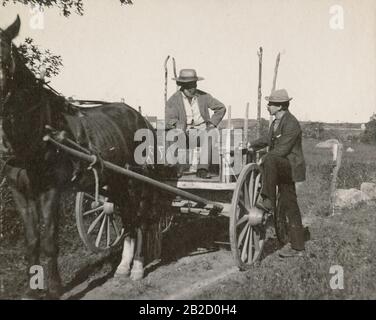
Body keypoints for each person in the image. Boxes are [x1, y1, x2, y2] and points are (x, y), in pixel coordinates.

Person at [248, 88, 307, 258]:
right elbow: (268, 140)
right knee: (290, 203)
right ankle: (298, 247)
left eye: (271, 104)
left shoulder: (291, 123)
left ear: (280, 106)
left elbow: (282, 149)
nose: (268, 106)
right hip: (280, 165)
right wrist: (250, 145)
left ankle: (268, 201)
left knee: (270, 160)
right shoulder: (276, 122)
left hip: (290, 166)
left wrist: (264, 158)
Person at [165, 69, 226, 178]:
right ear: (182, 85)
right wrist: (179, 127)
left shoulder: (204, 97)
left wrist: (212, 123)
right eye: (189, 85)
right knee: (172, 134)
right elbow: (170, 120)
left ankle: (202, 169)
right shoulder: (173, 100)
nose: (192, 88)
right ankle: (174, 168)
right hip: (184, 133)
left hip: (202, 131)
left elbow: (221, 108)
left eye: (194, 84)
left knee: (212, 133)